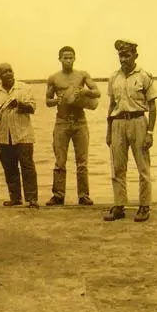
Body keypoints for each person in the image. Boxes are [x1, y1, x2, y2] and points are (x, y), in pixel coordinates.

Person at [105, 39, 157, 222]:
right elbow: (111, 105)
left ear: (135, 55)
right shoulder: (114, 77)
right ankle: (119, 205)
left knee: (143, 167)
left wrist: (150, 133)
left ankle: (144, 206)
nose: (123, 59)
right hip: (118, 123)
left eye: (127, 55)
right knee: (118, 166)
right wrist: (108, 130)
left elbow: (152, 108)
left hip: (138, 122)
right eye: (121, 55)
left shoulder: (144, 76)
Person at [45, 46, 100, 206]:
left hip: (80, 121)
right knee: (60, 161)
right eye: (65, 57)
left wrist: (84, 92)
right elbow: (48, 101)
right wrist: (57, 100)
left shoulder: (82, 75)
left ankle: (83, 195)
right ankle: (58, 195)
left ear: (75, 58)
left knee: (82, 161)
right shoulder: (53, 78)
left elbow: (97, 92)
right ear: (60, 59)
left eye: (70, 57)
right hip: (61, 121)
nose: (68, 60)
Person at [0, 63, 39, 208]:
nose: (9, 74)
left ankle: (32, 199)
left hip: (24, 135)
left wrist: (19, 104)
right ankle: (15, 197)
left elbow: (32, 108)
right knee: (9, 168)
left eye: (10, 71)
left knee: (27, 167)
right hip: (4, 136)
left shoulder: (24, 88)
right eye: (4, 72)